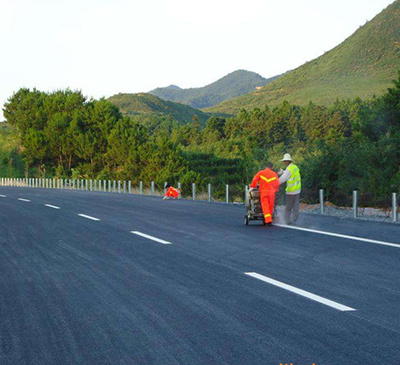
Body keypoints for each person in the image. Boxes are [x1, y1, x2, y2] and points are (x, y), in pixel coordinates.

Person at [278, 153, 301, 225]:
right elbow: (291, 174)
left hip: (291, 191)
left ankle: (287, 221)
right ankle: (294, 220)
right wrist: (283, 172)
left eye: (285, 161)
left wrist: (274, 183)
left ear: (288, 161)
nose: (284, 162)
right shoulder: (295, 167)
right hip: (297, 191)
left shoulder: (289, 169)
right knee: (296, 207)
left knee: (288, 207)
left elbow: (283, 179)